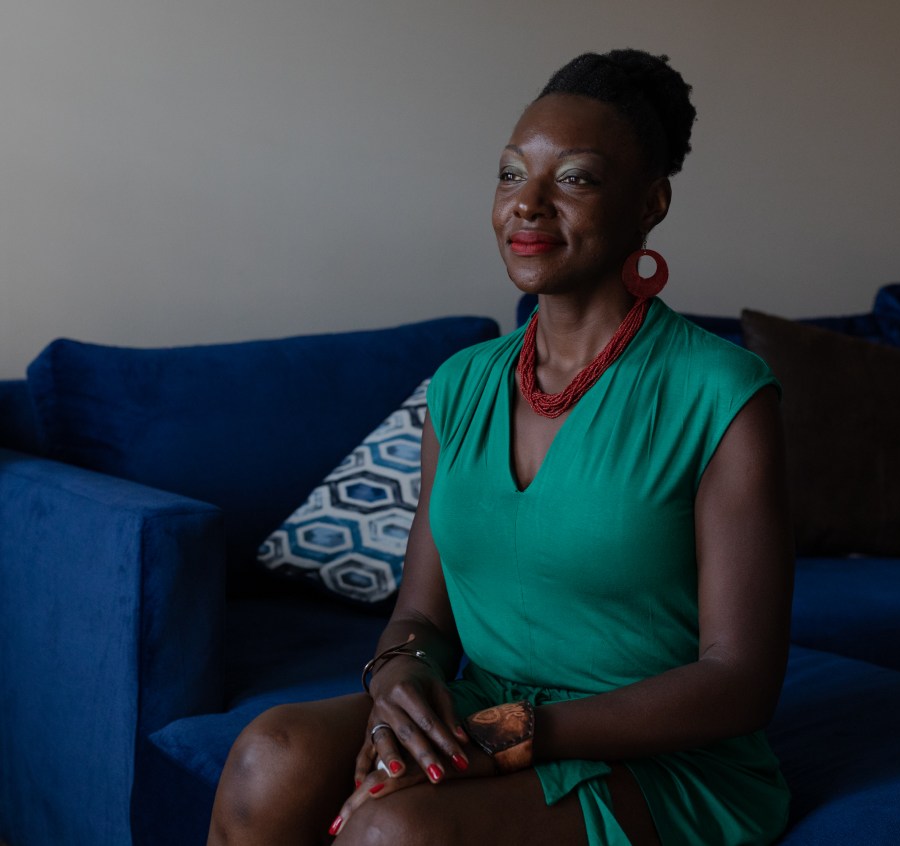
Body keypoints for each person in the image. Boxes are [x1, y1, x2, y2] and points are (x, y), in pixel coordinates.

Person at [208, 48, 793, 846]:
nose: (528, 204)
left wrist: (508, 738)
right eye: (511, 174)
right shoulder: (459, 386)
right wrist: (401, 687)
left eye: (574, 178)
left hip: (660, 753)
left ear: (650, 202)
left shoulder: (722, 392)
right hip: (481, 706)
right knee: (266, 756)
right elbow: (421, 615)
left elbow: (740, 682)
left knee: (396, 833)